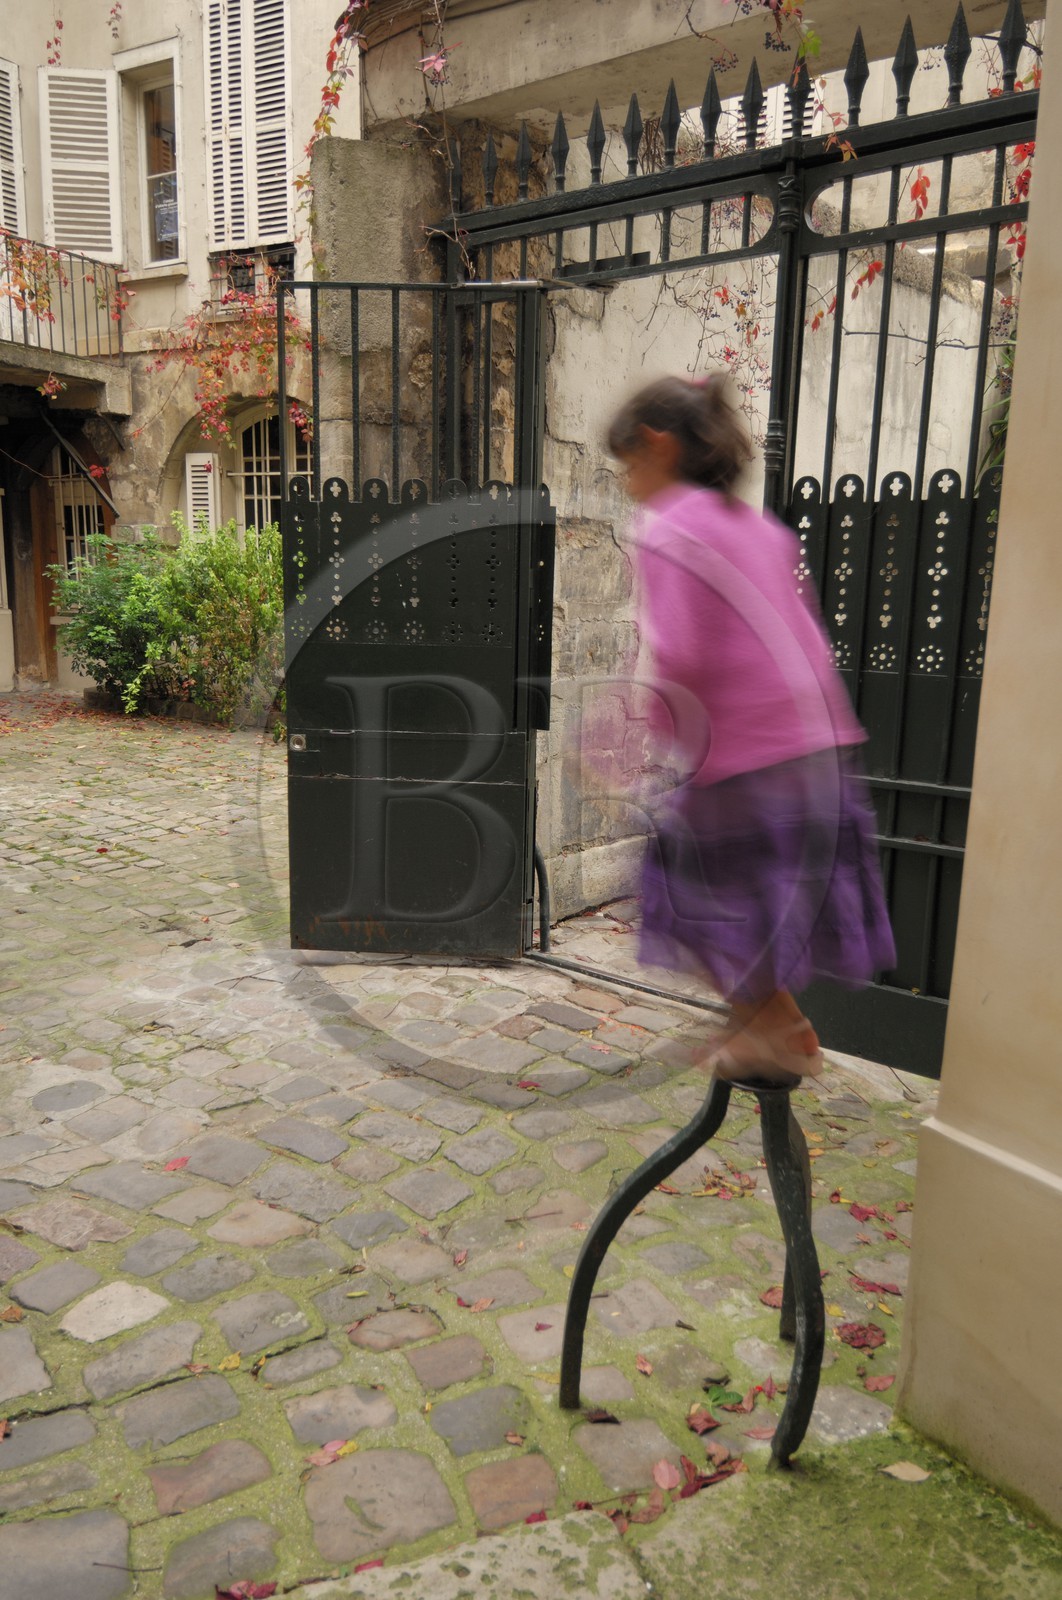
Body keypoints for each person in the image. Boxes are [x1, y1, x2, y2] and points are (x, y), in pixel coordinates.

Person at [605, 374, 896, 1084]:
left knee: (680, 891)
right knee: (754, 899)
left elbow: (679, 654)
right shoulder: (760, 527)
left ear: (658, 446)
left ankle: (773, 1028)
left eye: (627, 467)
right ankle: (774, 1025)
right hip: (820, 745)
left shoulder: (668, 522)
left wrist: (638, 733)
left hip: (749, 755)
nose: (627, 485)